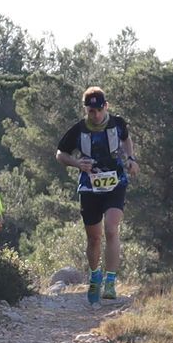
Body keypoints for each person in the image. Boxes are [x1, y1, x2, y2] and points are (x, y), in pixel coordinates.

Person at [55, 86, 134, 302]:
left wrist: (131, 159)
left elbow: (126, 139)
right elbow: (60, 154)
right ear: (86, 110)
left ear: (106, 106)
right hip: (90, 187)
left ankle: (110, 281)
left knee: (111, 229)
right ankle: (95, 276)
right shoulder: (78, 130)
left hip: (115, 184)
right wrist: (77, 163)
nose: (96, 115)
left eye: (99, 110)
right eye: (91, 111)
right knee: (94, 238)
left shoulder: (117, 123)